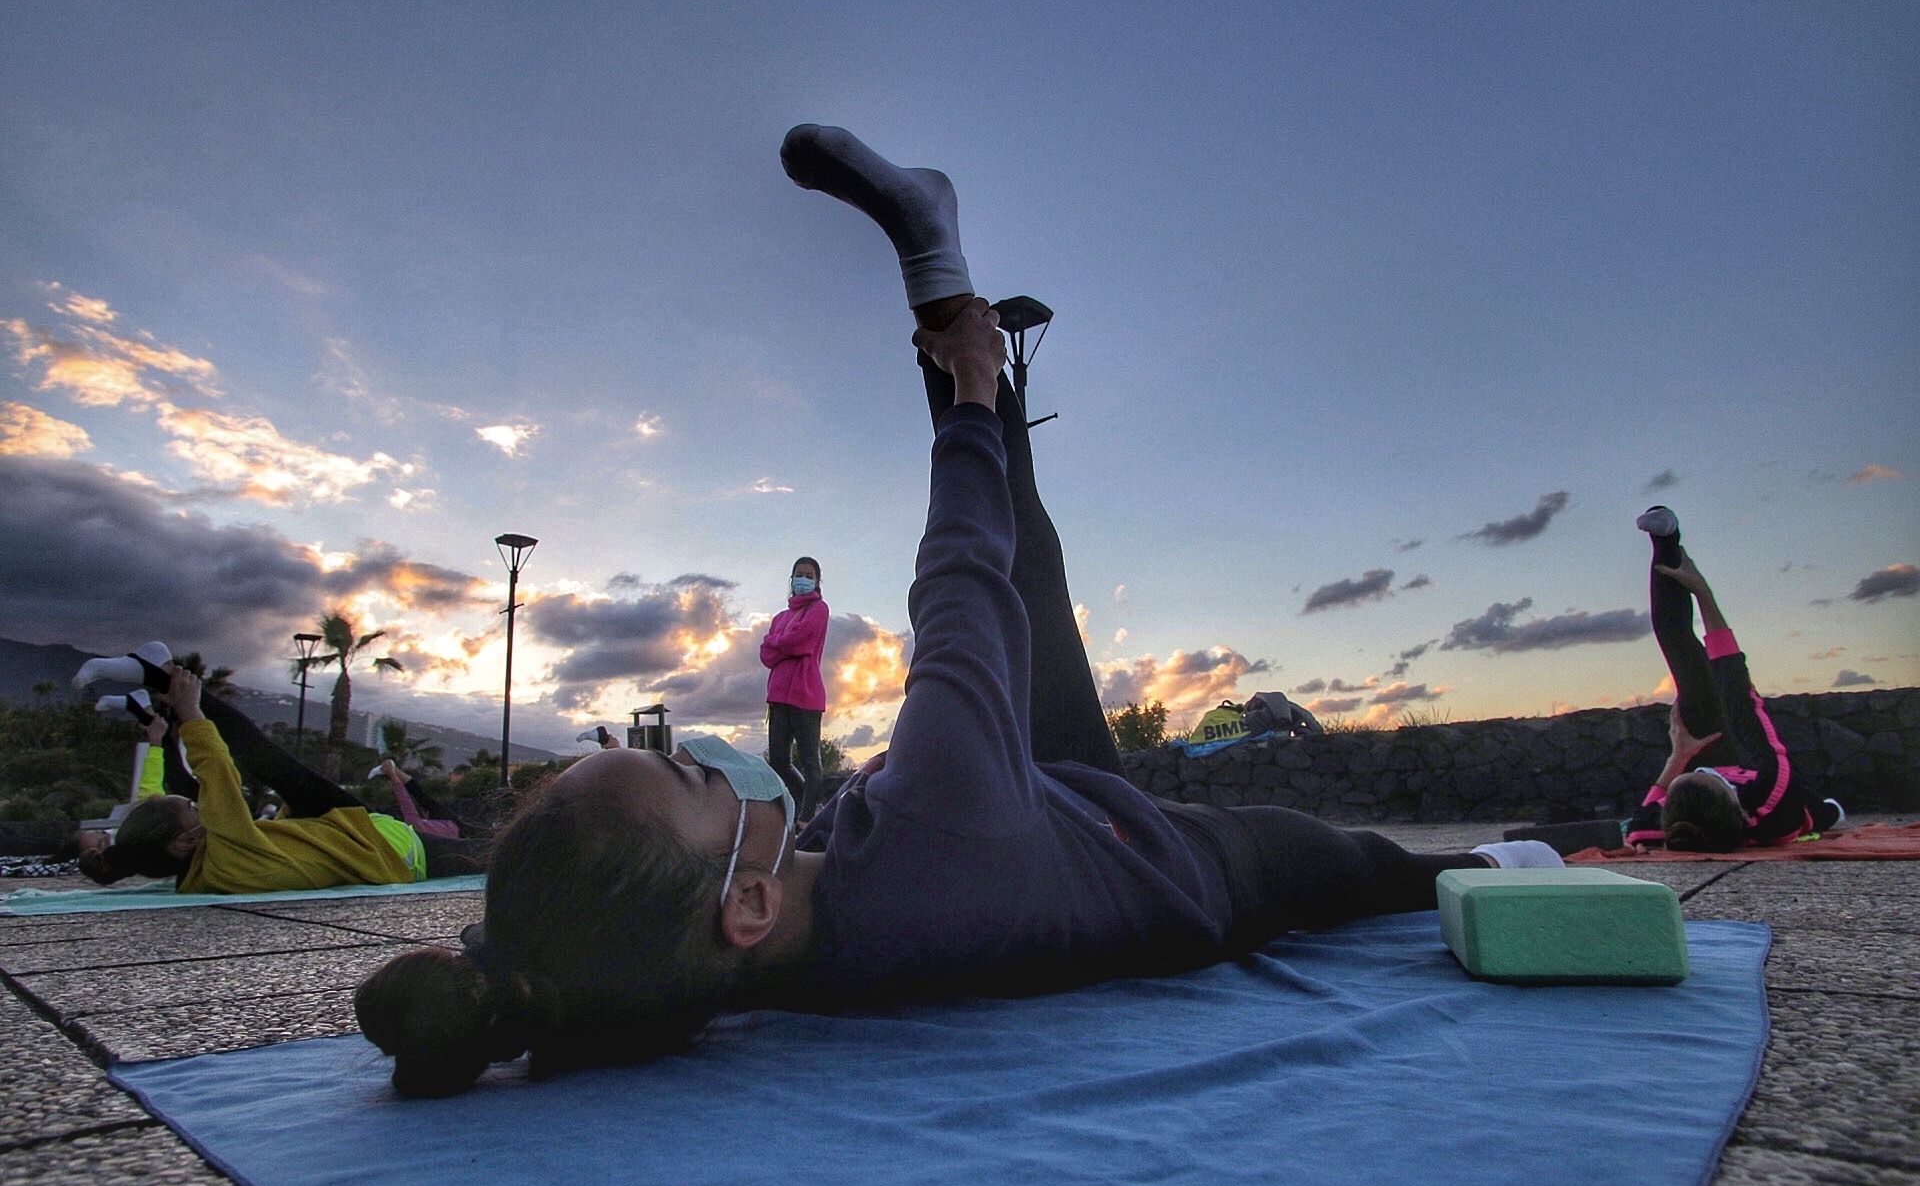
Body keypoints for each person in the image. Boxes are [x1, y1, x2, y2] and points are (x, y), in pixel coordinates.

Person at [352, 124, 1559, 1098]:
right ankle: (1517, 859)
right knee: (1358, 869)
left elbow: (580, 966)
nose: (704, 761)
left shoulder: (687, 969)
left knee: (1032, 579)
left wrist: (488, 978)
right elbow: (961, 583)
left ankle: (945, 291)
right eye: (691, 782)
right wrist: (976, 393)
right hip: (1171, 867)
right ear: (750, 900)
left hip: (1035, 828)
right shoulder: (939, 825)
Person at [73, 645, 489, 890]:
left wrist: (161, 733)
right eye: (195, 812)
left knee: (269, 762)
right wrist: (190, 713)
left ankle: (158, 679)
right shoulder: (227, 851)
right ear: (184, 841)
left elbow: (174, 791)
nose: (204, 809)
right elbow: (217, 773)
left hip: (357, 837)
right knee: (268, 759)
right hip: (386, 847)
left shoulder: (204, 869)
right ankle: (159, 677)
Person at [1624, 507, 1844, 852]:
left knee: (1675, 642)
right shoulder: (1772, 794)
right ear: (1740, 808)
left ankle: (1665, 540)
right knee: (1826, 810)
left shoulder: (1680, 814)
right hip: (1772, 775)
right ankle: (1831, 811)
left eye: (1702, 774)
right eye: (1714, 779)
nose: (1713, 772)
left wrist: (1679, 759)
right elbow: (1739, 694)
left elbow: (1637, 831)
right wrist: (1703, 593)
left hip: (1704, 752)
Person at [760, 556, 829, 820]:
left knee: (811, 762)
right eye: (799, 574)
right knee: (778, 761)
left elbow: (802, 641)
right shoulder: (780, 617)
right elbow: (766, 655)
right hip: (778, 697)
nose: (803, 579)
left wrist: (777, 644)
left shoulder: (819, 609)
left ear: (817, 581)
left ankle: (806, 818)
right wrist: (781, 644)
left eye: (809, 575)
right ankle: (804, 807)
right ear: (791, 579)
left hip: (806, 696)